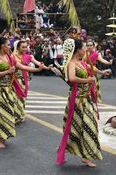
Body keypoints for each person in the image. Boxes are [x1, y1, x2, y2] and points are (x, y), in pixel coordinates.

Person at [0, 36, 41, 149]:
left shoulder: (9, 57)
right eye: (7, 44)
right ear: (2, 46)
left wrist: (38, 69)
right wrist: (8, 71)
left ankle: (4, 136)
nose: (9, 46)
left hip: (9, 90)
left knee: (9, 113)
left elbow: (23, 67)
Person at [56, 39, 101, 167]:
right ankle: (82, 154)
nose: (85, 50)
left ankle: (83, 154)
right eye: (84, 48)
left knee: (89, 126)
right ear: (77, 50)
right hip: (77, 100)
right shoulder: (72, 64)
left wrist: (102, 72)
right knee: (81, 127)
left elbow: (92, 68)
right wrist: (88, 79)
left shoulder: (81, 62)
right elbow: (72, 78)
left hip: (87, 99)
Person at [12, 40, 48, 123]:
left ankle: (20, 115)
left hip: (23, 80)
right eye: (23, 47)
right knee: (14, 98)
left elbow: (38, 63)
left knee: (21, 98)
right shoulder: (12, 56)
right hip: (13, 80)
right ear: (17, 47)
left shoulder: (29, 56)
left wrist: (46, 68)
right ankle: (16, 114)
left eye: (26, 47)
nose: (25, 49)